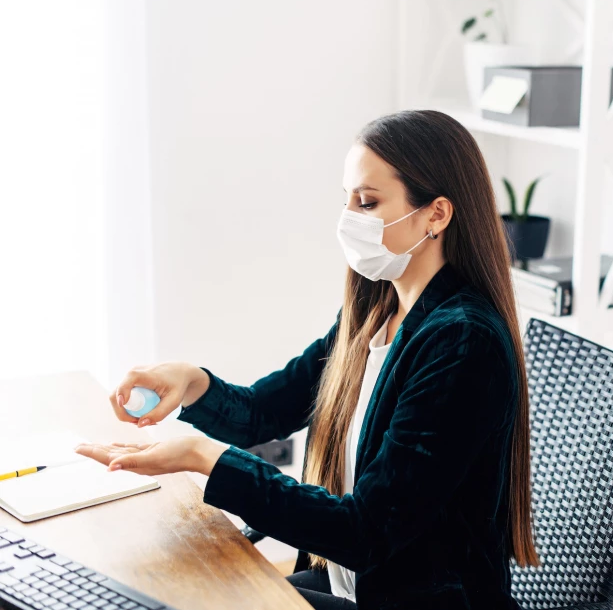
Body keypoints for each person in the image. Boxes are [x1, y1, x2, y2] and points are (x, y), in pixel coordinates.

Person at [75, 110, 540, 610]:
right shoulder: (375, 310)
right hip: (351, 586)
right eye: (348, 201)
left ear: (436, 214)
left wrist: (204, 459)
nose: (350, 219)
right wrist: (192, 383)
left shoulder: (463, 344)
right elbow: (264, 412)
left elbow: (365, 530)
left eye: (368, 202)